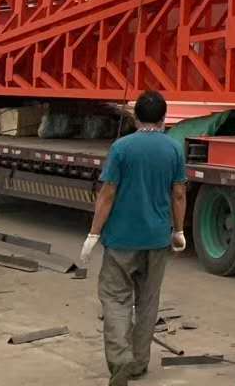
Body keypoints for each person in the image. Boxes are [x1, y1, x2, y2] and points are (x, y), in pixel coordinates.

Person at [78, 90, 188, 386]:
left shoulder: (121, 148)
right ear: (164, 118)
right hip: (157, 239)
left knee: (115, 299)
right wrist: (179, 230)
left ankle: (121, 359)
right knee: (148, 301)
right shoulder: (174, 149)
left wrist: (93, 233)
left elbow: (108, 193)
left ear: (135, 117)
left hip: (121, 239)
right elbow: (179, 193)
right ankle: (139, 363)